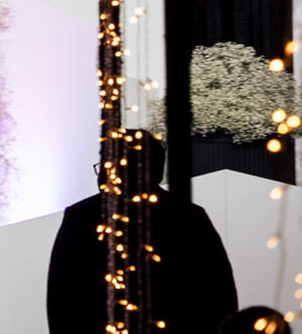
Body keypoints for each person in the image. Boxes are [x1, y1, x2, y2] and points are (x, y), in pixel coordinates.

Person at [44, 129, 237, 334]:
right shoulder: (188, 215)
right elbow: (220, 293)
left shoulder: (82, 215)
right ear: (156, 170)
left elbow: (60, 294)